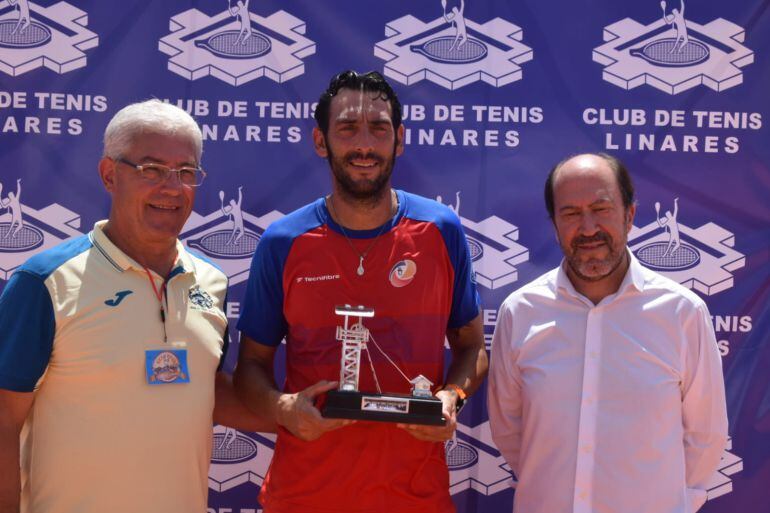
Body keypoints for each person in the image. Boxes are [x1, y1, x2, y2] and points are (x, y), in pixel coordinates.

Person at [234, 70, 487, 513]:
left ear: (400, 139)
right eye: (348, 128)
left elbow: (472, 347)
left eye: (379, 128)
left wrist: (453, 397)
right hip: (304, 496)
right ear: (320, 141)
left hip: (415, 497)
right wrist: (284, 407)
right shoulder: (283, 241)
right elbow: (250, 367)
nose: (364, 145)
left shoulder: (441, 230)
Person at [0, 99, 270, 513]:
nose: (172, 187)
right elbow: (4, 417)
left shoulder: (212, 282)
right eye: (151, 169)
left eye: (186, 172)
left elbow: (207, 390)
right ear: (109, 174)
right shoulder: (45, 282)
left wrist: (292, 413)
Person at [488, 153, 727, 513]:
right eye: (570, 213)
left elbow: (705, 437)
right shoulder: (520, 313)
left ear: (629, 215)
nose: (587, 228)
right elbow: (510, 430)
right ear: (554, 224)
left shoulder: (682, 313)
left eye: (601, 209)